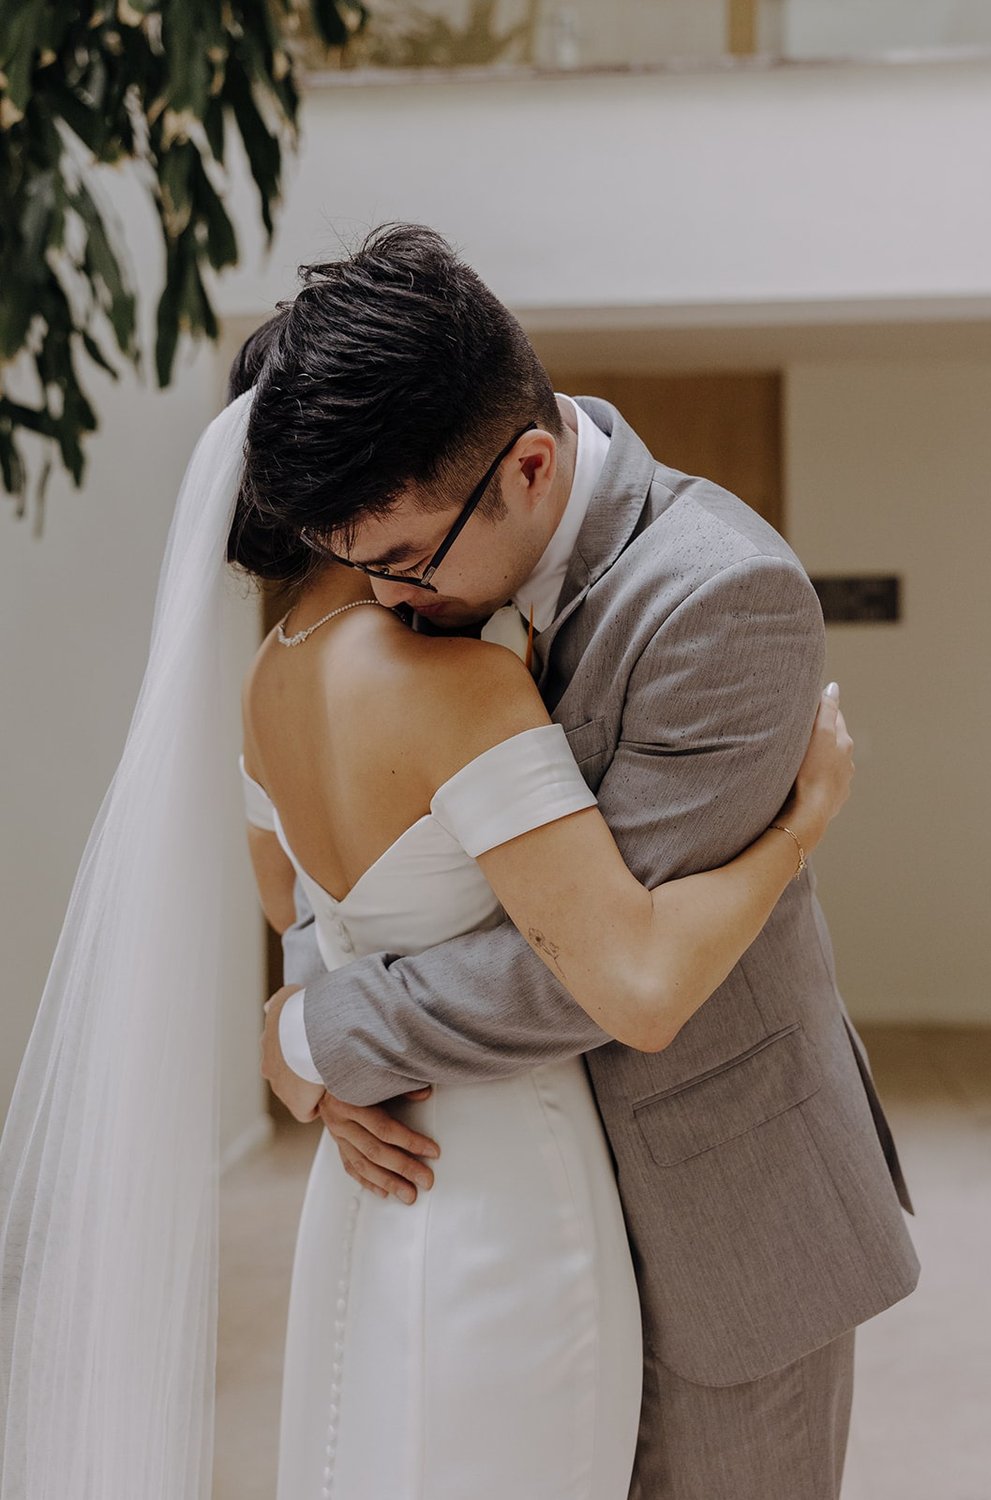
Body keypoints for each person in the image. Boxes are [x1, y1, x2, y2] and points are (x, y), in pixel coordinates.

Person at [244, 225, 919, 1500]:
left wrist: (317, 1035)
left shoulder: (722, 596)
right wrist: (313, 992)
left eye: (402, 564)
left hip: (718, 1214)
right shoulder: (413, 586)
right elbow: (344, 849)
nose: (385, 610)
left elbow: (596, 969)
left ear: (531, 466)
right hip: (508, 1204)